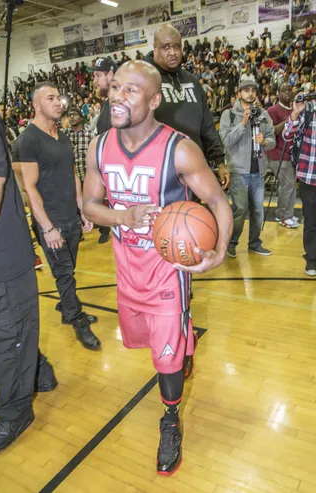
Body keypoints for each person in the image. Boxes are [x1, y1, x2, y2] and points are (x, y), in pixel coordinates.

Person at [83, 60, 233, 475]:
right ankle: (184, 345)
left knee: (164, 359)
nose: (117, 96)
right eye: (115, 87)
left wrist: (219, 250)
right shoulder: (99, 147)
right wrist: (123, 217)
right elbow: (89, 206)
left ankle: (170, 419)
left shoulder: (180, 148)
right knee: (148, 342)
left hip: (168, 271)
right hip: (126, 268)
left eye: (131, 90)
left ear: (154, 100)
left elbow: (218, 201)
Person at [12, 82, 101, 351]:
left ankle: (67, 306)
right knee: (64, 274)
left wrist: (82, 209)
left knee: (69, 268)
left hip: (70, 216)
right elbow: (30, 188)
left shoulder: (62, 137)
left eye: (58, 97)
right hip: (50, 221)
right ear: (37, 105)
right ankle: (76, 319)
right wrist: (47, 227)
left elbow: (74, 175)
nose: (58, 102)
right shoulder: (27, 140)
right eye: (50, 98)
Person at [0, 110, 57, 453]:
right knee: (8, 332)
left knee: (7, 333)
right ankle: (38, 371)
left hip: (3, 256)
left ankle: (15, 410)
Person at [145, 25, 230, 189]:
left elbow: (207, 125)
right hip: (159, 174)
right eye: (166, 47)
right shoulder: (144, 80)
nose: (173, 52)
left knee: (194, 214)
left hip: (193, 170)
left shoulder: (192, 81)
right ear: (155, 48)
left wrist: (220, 161)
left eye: (177, 46)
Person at [219, 80, 276, 258]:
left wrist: (265, 142)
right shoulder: (229, 114)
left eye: (253, 90)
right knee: (240, 210)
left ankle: (254, 243)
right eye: (246, 90)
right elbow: (226, 141)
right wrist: (243, 123)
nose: (250, 93)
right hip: (238, 171)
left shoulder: (264, 114)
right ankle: (232, 243)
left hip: (258, 172)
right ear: (239, 93)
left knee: (258, 211)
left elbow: (272, 140)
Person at [283, 95, 316, 276]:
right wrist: (295, 113)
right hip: (310, 176)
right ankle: (312, 260)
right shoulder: (309, 110)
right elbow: (288, 135)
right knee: (311, 221)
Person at [88, 58, 118, 244]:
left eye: (98, 75)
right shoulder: (108, 104)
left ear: (111, 74)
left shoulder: (119, 103)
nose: (94, 80)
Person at [267, 83, 299, 228]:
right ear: (278, 94)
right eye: (284, 91)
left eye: (289, 90)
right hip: (278, 153)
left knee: (287, 185)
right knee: (288, 185)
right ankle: (285, 216)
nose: (288, 93)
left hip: (292, 154)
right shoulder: (272, 110)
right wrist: (289, 120)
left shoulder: (295, 109)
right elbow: (271, 131)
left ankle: (284, 213)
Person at [65, 107, 95, 184]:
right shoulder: (64, 136)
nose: (71, 117)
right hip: (70, 179)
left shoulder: (90, 135)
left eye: (74, 114)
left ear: (81, 118)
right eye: (69, 115)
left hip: (88, 178)